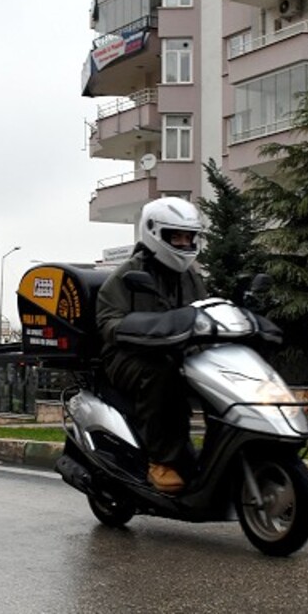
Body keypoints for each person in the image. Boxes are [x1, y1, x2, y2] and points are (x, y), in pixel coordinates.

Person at [96, 197, 208, 493]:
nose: (184, 243)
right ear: (155, 233)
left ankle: (209, 456)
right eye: (177, 236)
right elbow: (108, 322)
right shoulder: (126, 276)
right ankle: (161, 461)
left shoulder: (191, 278)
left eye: (189, 237)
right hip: (127, 357)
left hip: (176, 353)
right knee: (163, 375)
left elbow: (205, 310)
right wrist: (138, 328)